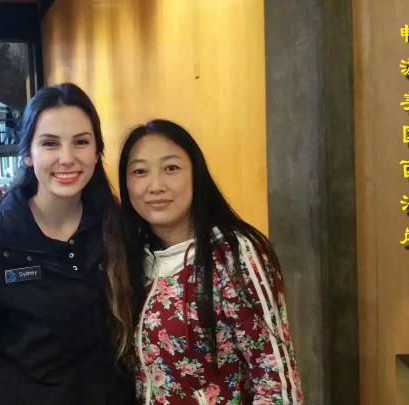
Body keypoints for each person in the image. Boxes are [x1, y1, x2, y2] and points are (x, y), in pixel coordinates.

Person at [0, 83, 138, 405]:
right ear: (28, 153)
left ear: (97, 151)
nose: (67, 158)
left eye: (81, 142)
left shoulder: (118, 230)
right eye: (50, 143)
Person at [119, 120, 303, 404]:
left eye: (171, 168)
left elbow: (275, 380)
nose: (155, 186)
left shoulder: (233, 254)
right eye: (140, 171)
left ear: (197, 175)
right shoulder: (132, 260)